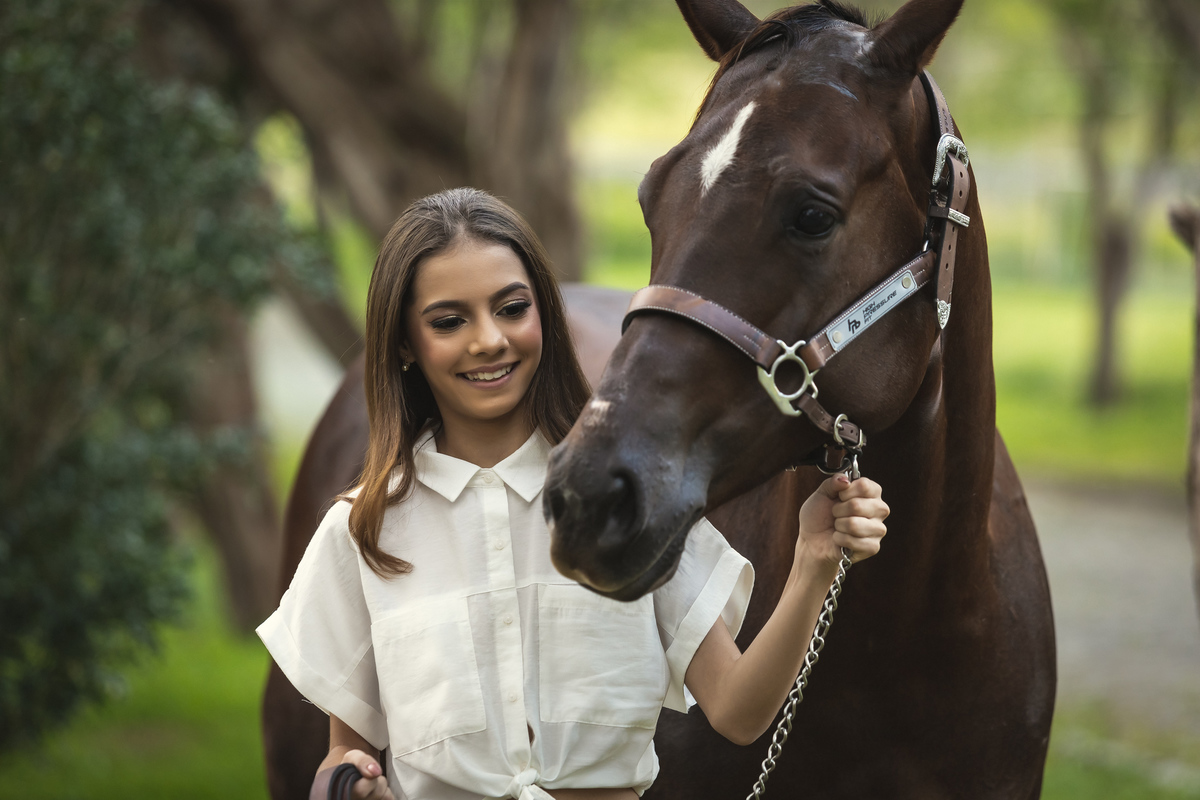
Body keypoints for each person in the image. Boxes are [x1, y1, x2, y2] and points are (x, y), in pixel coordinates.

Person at [257, 188, 889, 800]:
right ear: (404, 343)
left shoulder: (622, 506)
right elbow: (344, 752)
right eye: (449, 322)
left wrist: (812, 563)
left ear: (544, 315)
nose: (488, 340)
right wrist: (344, 783)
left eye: (511, 308)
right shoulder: (363, 532)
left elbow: (738, 712)